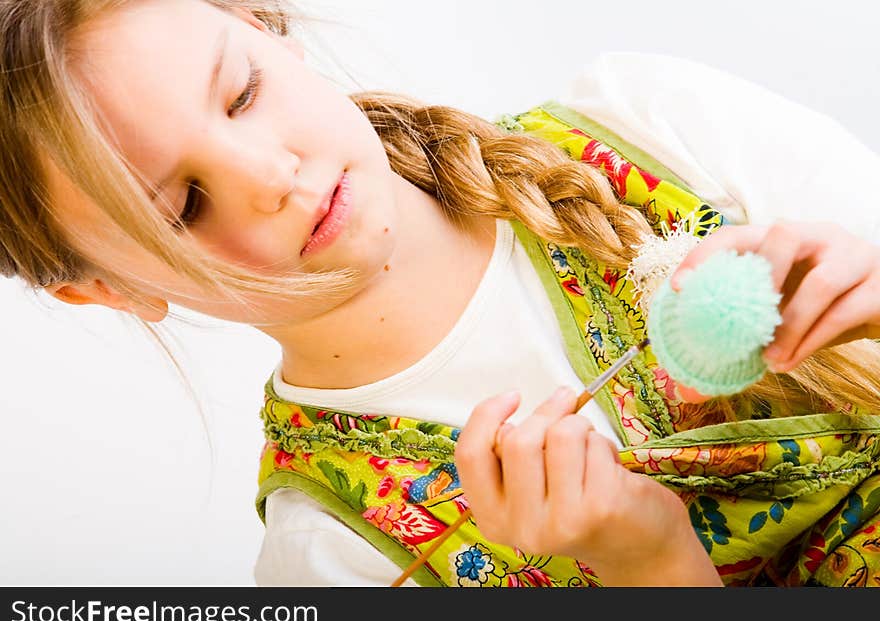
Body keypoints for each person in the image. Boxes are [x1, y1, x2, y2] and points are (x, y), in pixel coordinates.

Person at [2, 0, 880, 588]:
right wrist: (647, 561)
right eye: (184, 205)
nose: (272, 177)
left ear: (265, 24)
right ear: (106, 290)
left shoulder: (646, 118)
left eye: (243, 93)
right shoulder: (335, 558)